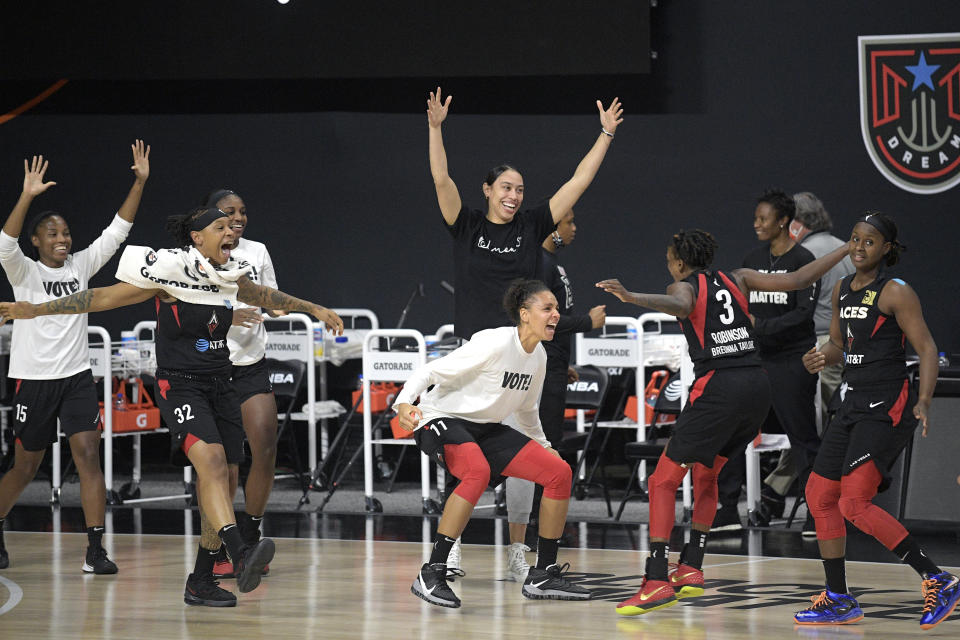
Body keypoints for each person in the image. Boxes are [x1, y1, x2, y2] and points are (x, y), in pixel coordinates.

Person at [0, 205, 343, 607]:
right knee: (212, 464)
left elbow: (264, 294)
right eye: (220, 227)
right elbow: (102, 296)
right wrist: (35, 309)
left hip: (222, 383)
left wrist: (313, 308)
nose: (230, 231)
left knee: (227, 477)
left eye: (231, 227)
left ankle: (200, 580)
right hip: (180, 386)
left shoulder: (228, 275)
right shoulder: (170, 271)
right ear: (197, 237)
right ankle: (241, 549)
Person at [596, 228, 849, 616]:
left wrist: (632, 298)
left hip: (720, 387)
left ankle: (656, 577)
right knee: (707, 474)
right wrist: (846, 248)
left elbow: (680, 304)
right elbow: (799, 280)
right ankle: (692, 567)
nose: (669, 264)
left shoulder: (684, 285)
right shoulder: (740, 277)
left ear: (679, 262)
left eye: (669, 259)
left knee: (662, 480)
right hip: (757, 386)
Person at [427, 87, 622, 572]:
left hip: (521, 356)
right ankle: (447, 552)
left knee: (525, 454)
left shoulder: (533, 224)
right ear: (488, 190)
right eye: (505, 188)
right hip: (475, 357)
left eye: (519, 188)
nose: (514, 195)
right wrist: (435, 129)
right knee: (467, 457)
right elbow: (440, 177)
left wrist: (605, 135)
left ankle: (520, 550)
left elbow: (579, 181)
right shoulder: (466, 223)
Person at [794, 213, 959, 630]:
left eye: (869, 242)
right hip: (851, 402)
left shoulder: (896, 292)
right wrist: (822, 355)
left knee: (854, 503)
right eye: (854, 239)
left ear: (886, 249)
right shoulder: (843, 293)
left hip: (887, 402)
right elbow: (838, 344)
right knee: (819, 493)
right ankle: (838, 598)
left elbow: (926, 349)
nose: (858, 247)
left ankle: (937, 578)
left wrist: (923, 400)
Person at [393, 279, 591, 609]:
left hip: (486, 429)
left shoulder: (538, 356)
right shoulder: (494, 343)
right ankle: (432, 572)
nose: (557, 315)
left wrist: (543, 444)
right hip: (440, 417)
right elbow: (430, 371)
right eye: (548, 309)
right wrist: (403, 403)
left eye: (557, 309)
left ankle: (543, 573)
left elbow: (527, 410)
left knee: (558, 472)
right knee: (476, 471)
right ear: (524, 314)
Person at [0, 143, 150, 573]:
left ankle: (95, 549)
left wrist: (139, 181)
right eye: (53, 233)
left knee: (88, 454)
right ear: (36, 241)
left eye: (66, 233)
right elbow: (5, 243)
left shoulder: (80, 267)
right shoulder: (24, 271)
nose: (63, 239)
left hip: (78, 378)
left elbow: (118, 231)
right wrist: (27, 196)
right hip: (34, 379)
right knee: (26, 466)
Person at [495, 209, 605, 582]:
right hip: (540, 368)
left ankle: (541, 542)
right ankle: (530, 544)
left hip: (552, 366)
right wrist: (588, 322)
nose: (574, 228)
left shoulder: (552, 264)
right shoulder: (540, 263)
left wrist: (560, 364)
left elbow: (552, 322)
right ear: (554, 228)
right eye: (570, 222)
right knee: (536, 454)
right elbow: (545, 321)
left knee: (547, 451)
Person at [714, 189, 821, 533]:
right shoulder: (751, 257)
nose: (756, 224)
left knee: (802, 437)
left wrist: (763, 327)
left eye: (764, 218)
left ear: (784, 222)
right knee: (733, 432)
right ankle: (728, 510)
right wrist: (753, 331)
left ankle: (818, 512)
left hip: (792, 360)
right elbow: (741, 308)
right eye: (756, 217)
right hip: (754, 360)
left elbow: (804, 314)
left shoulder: (804, 260)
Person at [754, 191, 855, 526]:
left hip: (821, 344)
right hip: (849, 341)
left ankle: (802, 500)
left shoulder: (806, 254)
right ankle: (778, 491)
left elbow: (801, 304)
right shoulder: (847, 247)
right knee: (816, 431)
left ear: (795, 223)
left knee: (814, 433)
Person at [200, 189, 283, 579]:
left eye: (243, 211)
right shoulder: (195, 251)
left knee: (265, 443)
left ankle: (250, 533)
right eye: (229, 211)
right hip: (212, 367)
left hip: (251, 364)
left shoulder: (258, 251)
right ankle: (220, 547)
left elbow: (270, 299)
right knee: (226, 467)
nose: (239, 217)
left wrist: (286, 305)